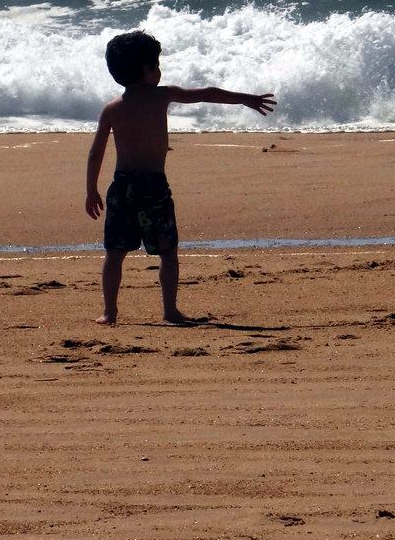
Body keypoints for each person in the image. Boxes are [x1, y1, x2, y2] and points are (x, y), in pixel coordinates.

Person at [85, 29, 275, 325]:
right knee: (167, 252)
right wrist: (244, 100)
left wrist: (91, 191)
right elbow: (207, 94)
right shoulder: (163, 96)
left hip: (121, 187)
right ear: (148, 70)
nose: (159, 71)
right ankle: (170, 311)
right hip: (153, 186)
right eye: (156, 65)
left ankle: (109, 312)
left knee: (114, 252)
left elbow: (95, 153)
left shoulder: (111, 109)